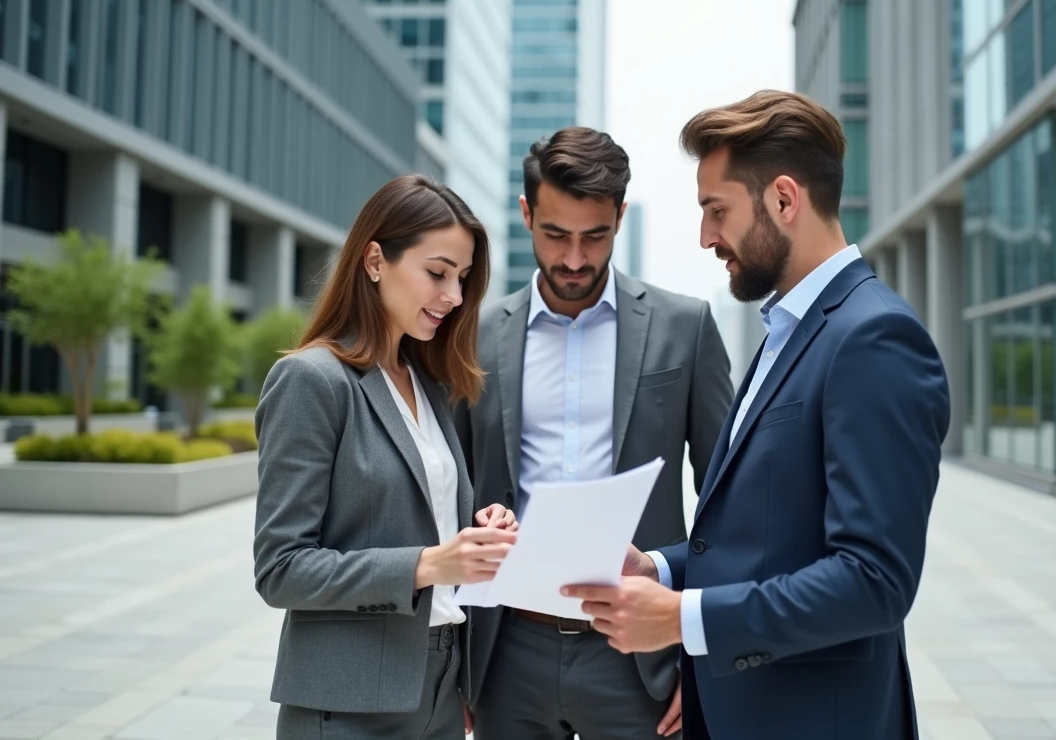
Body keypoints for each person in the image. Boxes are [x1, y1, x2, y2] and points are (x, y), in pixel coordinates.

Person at [563, 91, 951, 740]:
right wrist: (656, 569)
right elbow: (771, 540)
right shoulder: (785, 332)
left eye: (717, 210)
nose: (706, 236)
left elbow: (874, 579)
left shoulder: (873, 338)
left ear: (783, 200)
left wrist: (684, 619)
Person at [455, 127, 735, 740]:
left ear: (619, 217)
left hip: (642, 656)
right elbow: (445, 497)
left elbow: (730, 505)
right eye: (555, 235)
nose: (575, 259)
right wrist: (456, 666)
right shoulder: (471, 336)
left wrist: (705, 655)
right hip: (506, 653)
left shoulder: (684, 327)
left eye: (595, 236)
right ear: (526, 213)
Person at [252, 174, 519, 740]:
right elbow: (280, 570)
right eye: (438, 272)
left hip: (442, 686)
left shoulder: (428, 384)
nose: (454, 296)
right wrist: (428, 564)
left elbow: (416, 514)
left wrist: (475, 530)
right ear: (375, 260)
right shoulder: (311, 381)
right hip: (348, 704)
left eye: (464, 279)